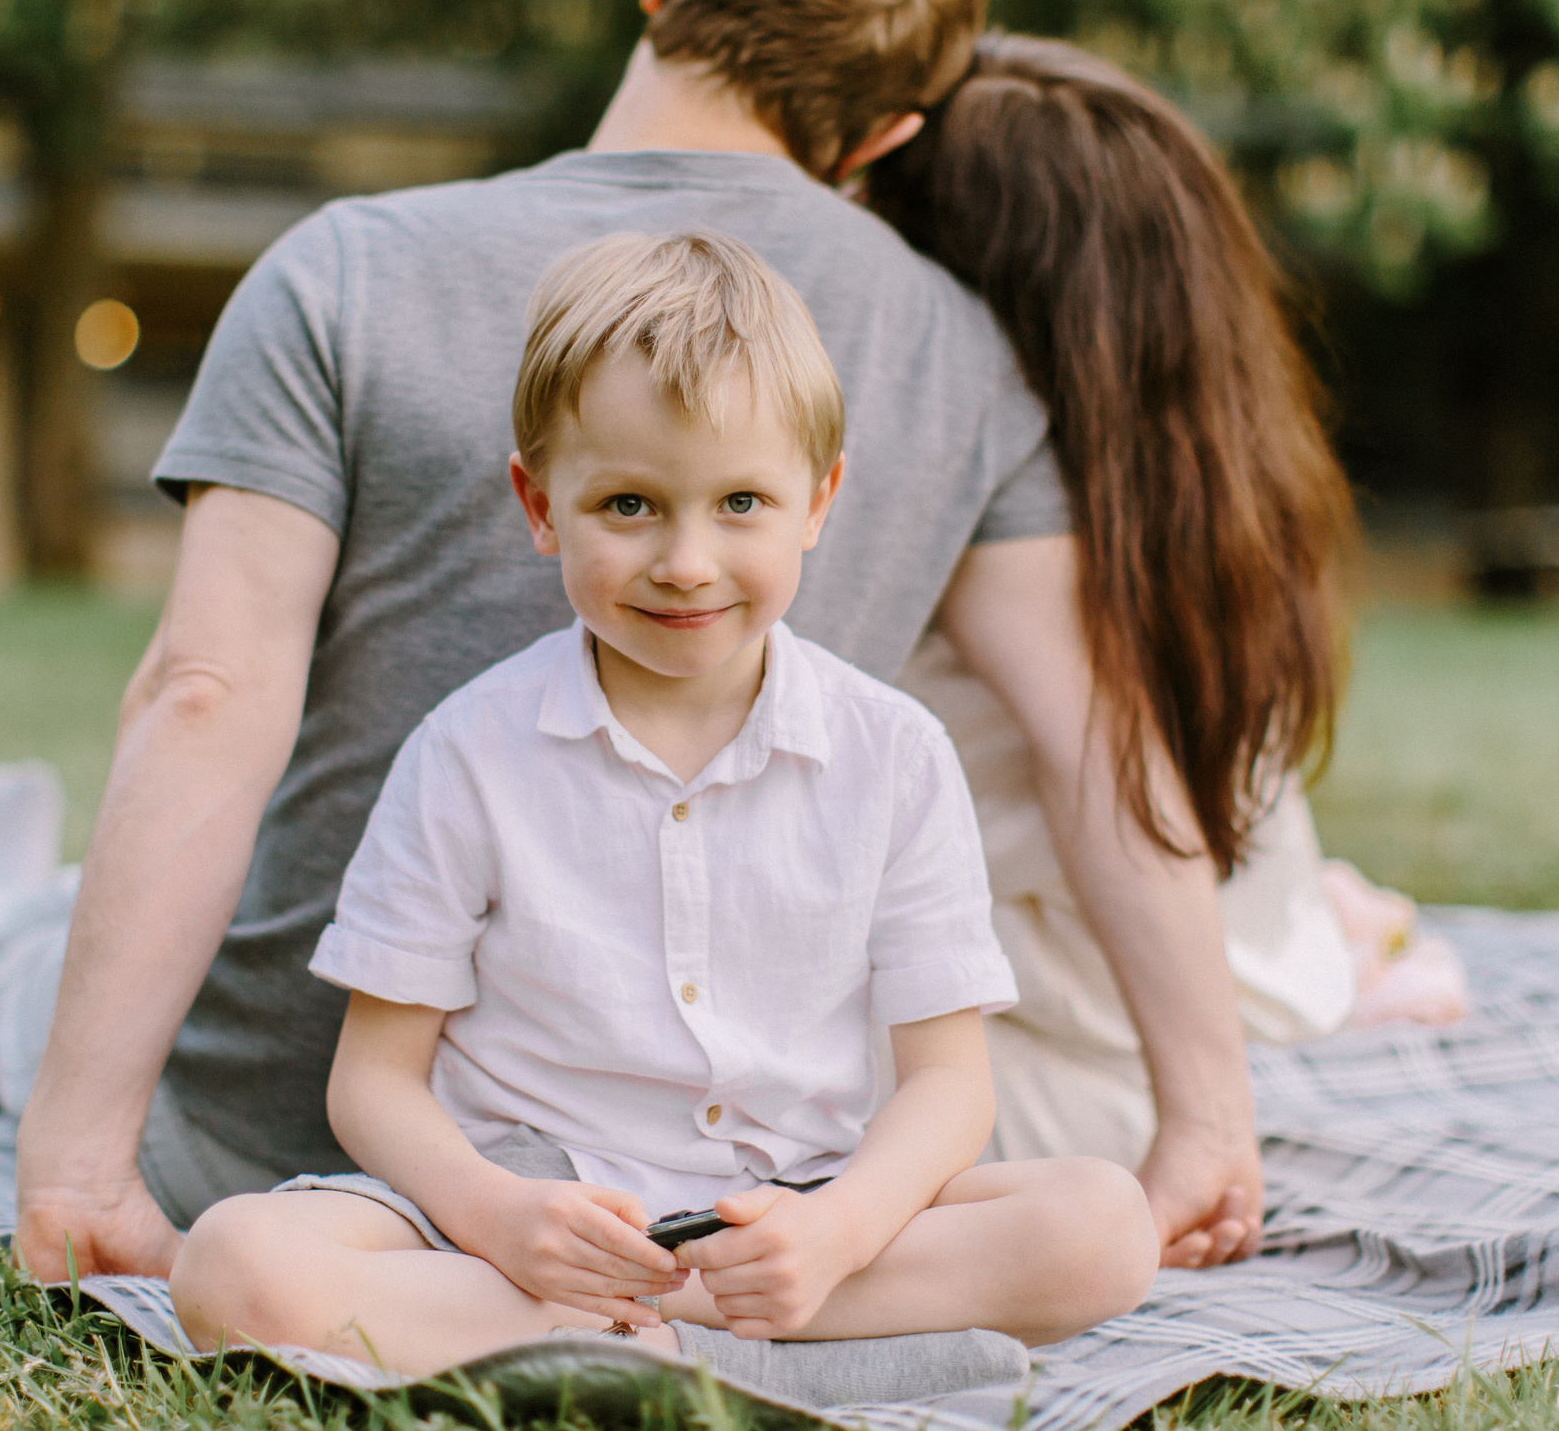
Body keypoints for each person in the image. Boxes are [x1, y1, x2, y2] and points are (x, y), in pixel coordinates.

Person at [0, 0, 1263, 1289]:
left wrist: (84, 1162)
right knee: (2, 943)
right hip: (565, 1161)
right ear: (886, 134)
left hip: (258, 1127)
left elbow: (203, 692)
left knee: (13, 974)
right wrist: (1209, 1118)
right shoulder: (964, 353)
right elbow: (1101, 739)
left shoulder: (345, 267)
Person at [165, 232, 1157, 1401]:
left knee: (1103, 1226)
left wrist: (838, 1233)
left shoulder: (893, 755)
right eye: (628, 504)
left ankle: (645, 1349)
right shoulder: (469, 751)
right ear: (541, 504)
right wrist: (497, 1215)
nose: (687, 561)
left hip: (791, 1210)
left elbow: (950, 1086)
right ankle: (767, 1360)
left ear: (817, 501)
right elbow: (373, 1084)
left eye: (740, 502)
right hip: (526, 1219)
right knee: (234, 1265)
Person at [862, 36, 1457, 1179]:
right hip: (1184, 967)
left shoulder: (979, 526)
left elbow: (1102, 779)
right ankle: (1327, 954)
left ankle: (1327, 957)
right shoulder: (1218, 481)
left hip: (1079, 1025)